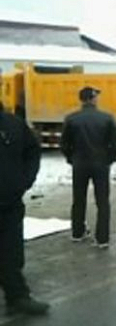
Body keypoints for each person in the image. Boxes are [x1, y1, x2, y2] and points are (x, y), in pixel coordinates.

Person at [0, 102, 50, 316]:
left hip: (9, 205)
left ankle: (18, 297)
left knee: (11, 255)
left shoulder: (12, 124)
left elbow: (32, 151)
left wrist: (24, 180)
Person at [60, 86, 116, 249]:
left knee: (78, 199)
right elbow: (115, 143)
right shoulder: (106, 118)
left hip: (79, 163)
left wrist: (71, 158)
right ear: (93, 98)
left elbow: (64, 143)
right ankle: (102, 238)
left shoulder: (71, 118)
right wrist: (109, 159)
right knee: (102, 201)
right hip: (100, 164)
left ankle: (77, 232)